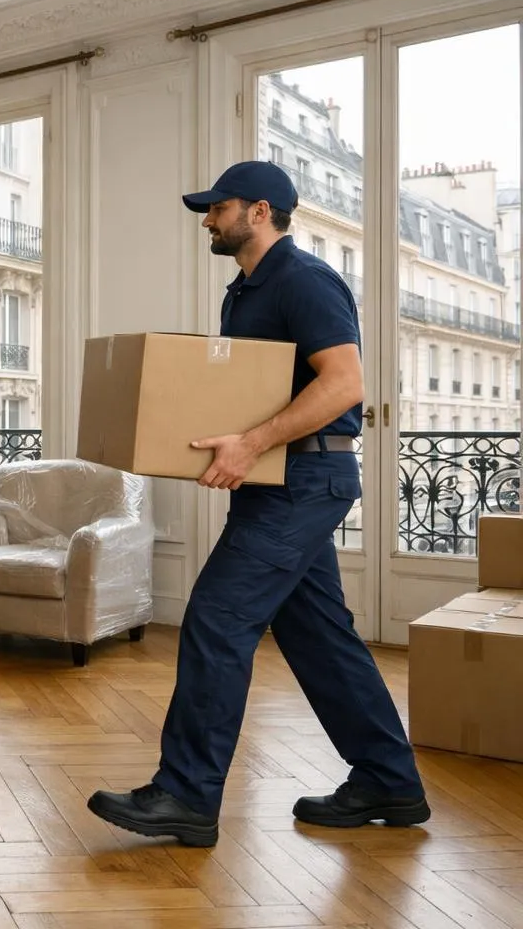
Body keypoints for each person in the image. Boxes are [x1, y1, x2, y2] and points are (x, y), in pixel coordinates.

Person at [86, 161, 429, 847]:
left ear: (261, 210)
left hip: (308, 481)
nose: (207, 220)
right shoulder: (242, 292)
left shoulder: (304, 281)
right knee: (319, 637)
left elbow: (344, 384)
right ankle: (390, 779)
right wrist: (217, 446)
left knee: (216, 619)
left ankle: (186, 795)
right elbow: (252, 392)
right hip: (281, 482)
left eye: (218, 207)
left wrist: (251, 445)